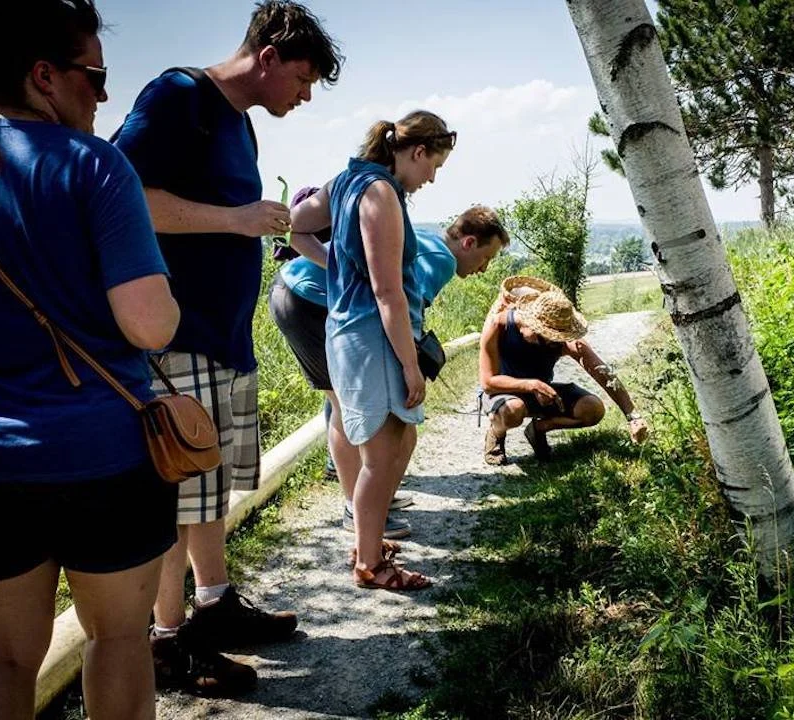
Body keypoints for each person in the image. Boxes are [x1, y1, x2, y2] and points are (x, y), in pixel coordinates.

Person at [112, 0, 342, 697]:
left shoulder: (238, 120)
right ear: (268, 57)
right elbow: (124, 195)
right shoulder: (180, 95)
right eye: (302, 80)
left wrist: (241, 224)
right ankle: (168, 644)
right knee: (180, 499)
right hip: (174, 339)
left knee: (208, 495)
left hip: (219, 337)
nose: (304, 98)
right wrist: (235, 219)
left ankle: (214, 605)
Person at [0, 2, 181, 717]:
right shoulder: (94, 165)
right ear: (44, 77)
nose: (102, 95)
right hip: (106, 456)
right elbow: (149, 325)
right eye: (95, 76)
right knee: (120, 640)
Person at [287, 110, 456, 590]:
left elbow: (295, 225)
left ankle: (368, 543)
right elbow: (388, 293)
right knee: (381, 458)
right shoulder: (380, 192)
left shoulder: (346, 181)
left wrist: (336, 265)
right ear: (416, 151)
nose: (431, 178)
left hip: (351, 331)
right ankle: (370, 565)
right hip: (370, 336)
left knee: (397, 442)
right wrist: (410, 365)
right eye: (433, 166)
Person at [274, 200, 508, 545]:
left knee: (340, 395)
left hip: (297, 291)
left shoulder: (428, 242)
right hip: (309, 300)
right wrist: (408, 368)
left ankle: (365, 491)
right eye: (486, 258)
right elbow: (401, 312)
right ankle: (359, 508)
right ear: (469, 243)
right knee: (343, 402)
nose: (484, 269)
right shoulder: (441, 259)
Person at [479, 286, 650, 465]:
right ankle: (496, 433)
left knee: (592, 409)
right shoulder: (499, 325)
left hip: (542, 393)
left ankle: (538, 429)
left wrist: (632, 415)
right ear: (533, 324)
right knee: (513, 410)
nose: (557, 340)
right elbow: (488, 382)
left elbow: (603, 373)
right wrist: (532, 385)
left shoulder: (563, 340)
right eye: (550, 335)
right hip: (502, 394)